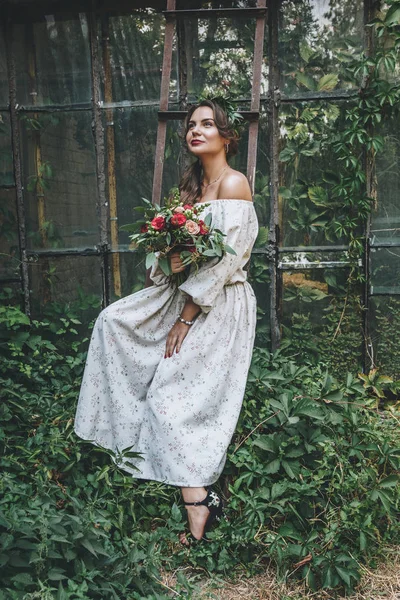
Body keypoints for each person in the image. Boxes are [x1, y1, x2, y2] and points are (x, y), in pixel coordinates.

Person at [74, 99, 259, 545]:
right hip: (184, 294)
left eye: (207, 124)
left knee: (171, 397)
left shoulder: (235, 184)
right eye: (192, 125)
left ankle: (199, 507)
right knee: (113, 322)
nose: (197, 130)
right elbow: (176, 261)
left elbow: (222, 266)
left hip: (217, 305)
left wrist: (185, 319)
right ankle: (200, 502)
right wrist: (170, 255)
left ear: (226, 136)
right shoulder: (191, 191)